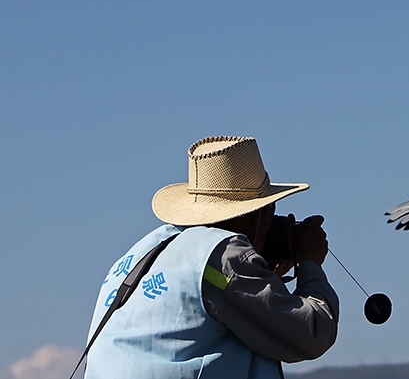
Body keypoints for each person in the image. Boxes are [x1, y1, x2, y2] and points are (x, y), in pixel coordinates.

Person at [84, 136, 340, 378]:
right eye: (270, 209)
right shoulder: (225, 254)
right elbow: (311, 332)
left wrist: (264, 280)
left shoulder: (144, 250)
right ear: (254, 214)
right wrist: (310, 263)